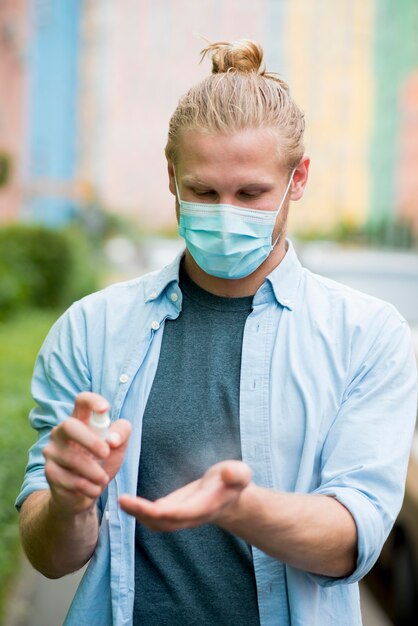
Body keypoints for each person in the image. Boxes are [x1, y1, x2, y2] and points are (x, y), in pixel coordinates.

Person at [17, 40, 417, 626]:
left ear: (297, 179)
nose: (224, 212)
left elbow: (353, 542)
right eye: (203, 192)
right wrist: (70, 504)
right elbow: (49, 557)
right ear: (172, 176)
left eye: (250, 194)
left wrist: (241, 507)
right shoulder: (89, 329)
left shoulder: (368, 336)